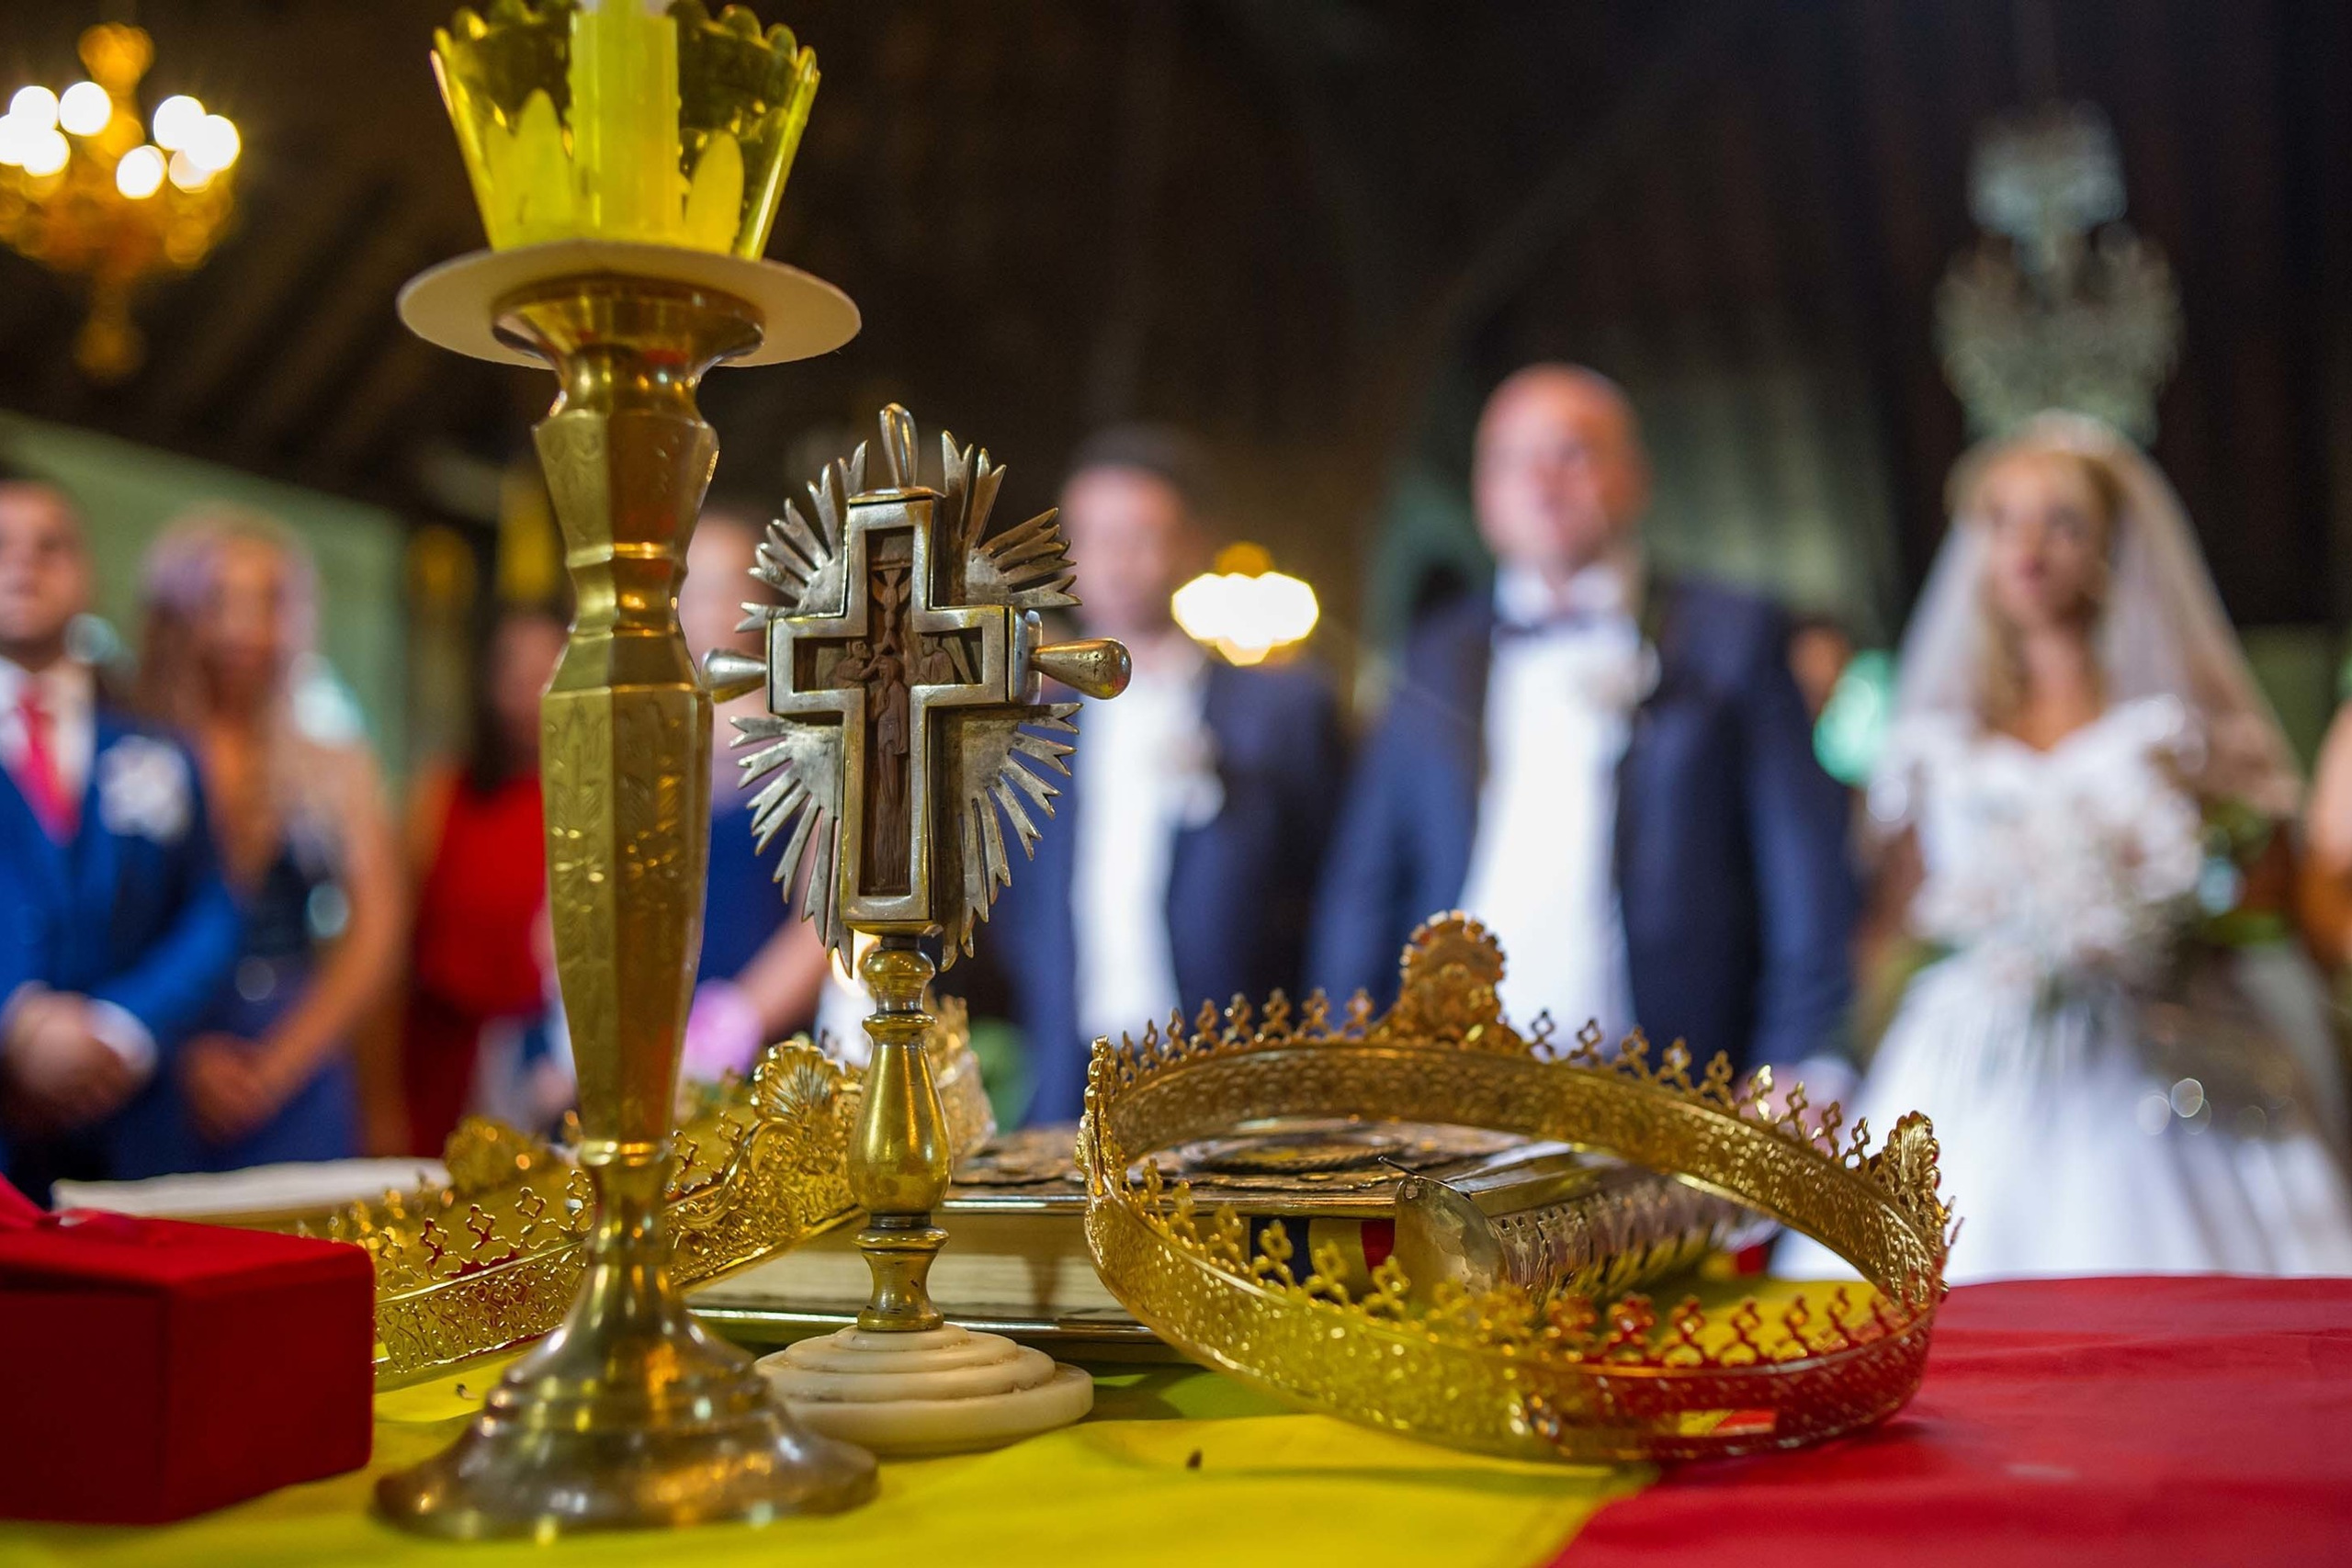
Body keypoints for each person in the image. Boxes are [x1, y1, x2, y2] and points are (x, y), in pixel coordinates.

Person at [1779, 412, 2352, 1281]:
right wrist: (1836, 1062)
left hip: (2158, 1055)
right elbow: (1898, 919)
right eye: (2002, 520)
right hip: (1974, 1060)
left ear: (2113, 547)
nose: (2029, 548)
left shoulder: (2178, 727)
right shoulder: (1941, 736)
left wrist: (2155, 909)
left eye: (2063, 522)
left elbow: (2270, 890)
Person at [1310, 365, 1857, 1081]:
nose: (1542, 480)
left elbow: (1800, 861)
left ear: (1635, 476)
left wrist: (1801, 1053)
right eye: (1509, 459)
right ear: (1483, 495)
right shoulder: (1434, 650)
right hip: (1457, 1077)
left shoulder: (1733, 635)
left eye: (1571, 452)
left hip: (1672, 1067)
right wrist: (1344, 1044)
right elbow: (1369, 872)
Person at [990, 427, 1346, 1123]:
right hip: (1071, 1071)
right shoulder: (1028, 723)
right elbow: (1013, 896)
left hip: (1236, 1074)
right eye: (1092, 537)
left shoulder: (1282, 709)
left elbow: (1329, 886)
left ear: (1194, 544)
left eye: (1141, 534)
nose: (1116, 562)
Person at [122, 510, 401, 1174]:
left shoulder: (331, 758)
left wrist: (280, 1065)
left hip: (294, 1041)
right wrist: (174, 1052)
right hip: (155, 1043)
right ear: (178, 612)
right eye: (220, 600)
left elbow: (377, 923)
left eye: (269, 601)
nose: (245, 627)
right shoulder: (132, 746)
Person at [0, 479, 242, 1201]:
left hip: (137, 1122)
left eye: (51, 546)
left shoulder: (156, 745)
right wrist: (13, 1025)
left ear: (86, 572)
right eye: (2, 547)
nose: (25, 565)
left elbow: (213, 907)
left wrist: (124, 1026)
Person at [401, 604, 568, 1152]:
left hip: (544, 1059)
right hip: (439, 1053)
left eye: (548, 672)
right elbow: (397, 943)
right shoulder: (443, 790)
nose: (528, 691)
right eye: (514, 671)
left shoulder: (592, 799)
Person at [677, 502, 830, 1081]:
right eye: (695, 589)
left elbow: (822, 918)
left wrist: (732, 1025)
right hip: (646, 1035)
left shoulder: (810, 739)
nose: (712, 609)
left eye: (730, 588)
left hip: (767, 1048)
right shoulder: (636, 739)